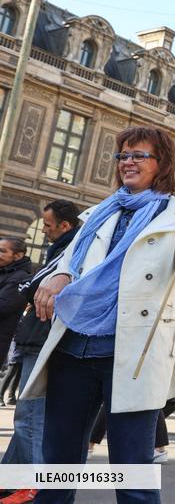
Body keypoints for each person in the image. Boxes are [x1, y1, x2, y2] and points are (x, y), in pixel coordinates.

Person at [22, 126, 175, 504]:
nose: (128, 162)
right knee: (57, 468)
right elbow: (73, 264)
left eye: (138, 155)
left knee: (133, 473)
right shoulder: (99, 212)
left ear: (161, 163)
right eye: (123, 155)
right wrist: (60, 275)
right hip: (73, 347)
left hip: (132, 355)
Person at [1, 201, 80, 480]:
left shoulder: (70, 250)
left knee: (31, 417)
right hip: (37, 337)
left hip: (42, 338)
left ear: (64, 225)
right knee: (28, 416)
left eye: (47, 225)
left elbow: (31, 287)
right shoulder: (59, 248)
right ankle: (9, 479)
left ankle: (38, 487)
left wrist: (32, 287)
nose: (44, 230)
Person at [0, 238, 31, 373]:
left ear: (18, 256)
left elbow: (3, 307)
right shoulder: (5, 272)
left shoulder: (20, 277)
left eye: (2, 251)